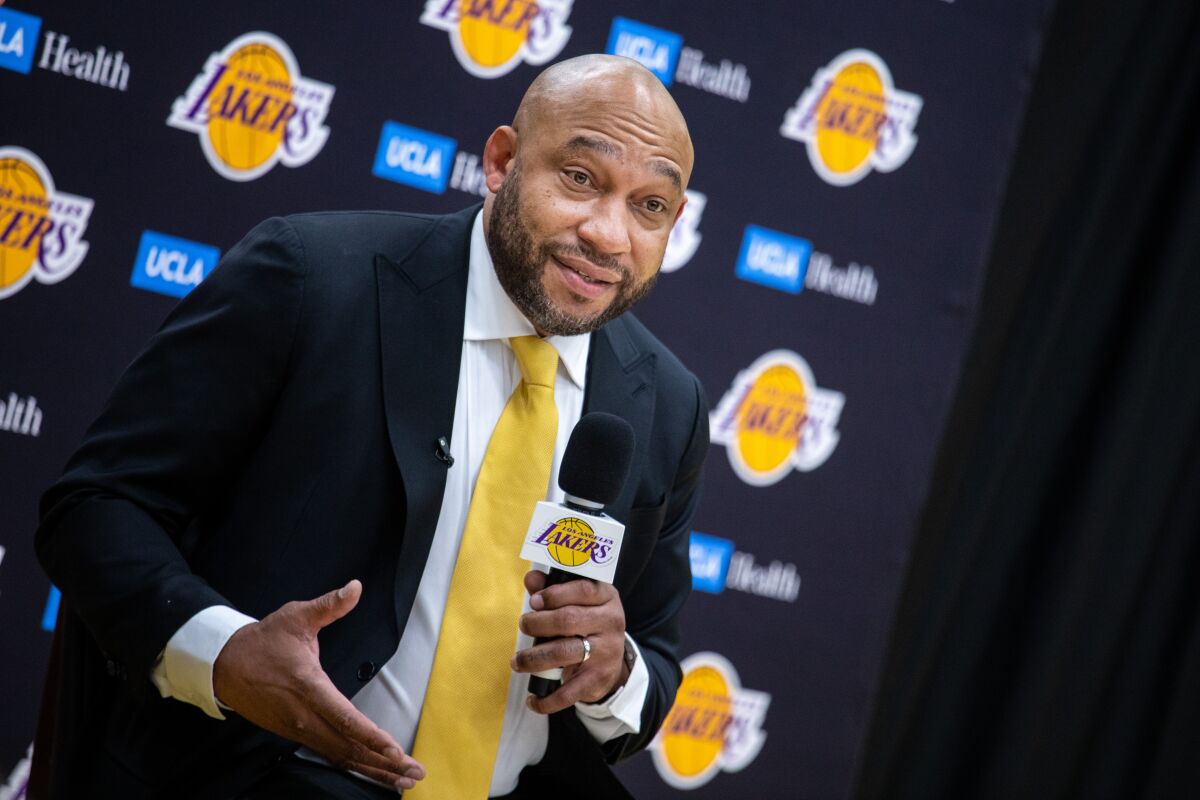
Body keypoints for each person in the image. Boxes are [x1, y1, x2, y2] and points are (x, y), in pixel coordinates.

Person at [33, 54, 708, 799]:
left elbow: (653, 658)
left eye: (649, 206)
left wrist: (614, 672)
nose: (609, 234)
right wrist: (223, 654)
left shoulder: (669, 404)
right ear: (502, 160)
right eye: (580, 179)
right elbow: (96, 508)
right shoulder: (309, 278)